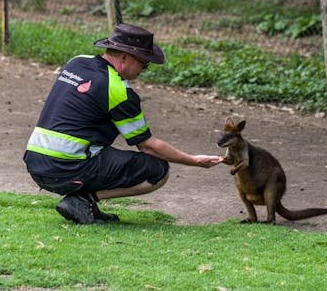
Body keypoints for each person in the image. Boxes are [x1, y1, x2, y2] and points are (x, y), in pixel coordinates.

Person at [23, 23, 223, 224]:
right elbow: (148, 146)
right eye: (144, 63)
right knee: (158, 171)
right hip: (65, 167)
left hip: (34, 160)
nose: (144, 69)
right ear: (124, 57)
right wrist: (194, 161)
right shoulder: (119, 91)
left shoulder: (77, 62)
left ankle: (85, 205)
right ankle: (83, 201)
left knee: (97, 149)